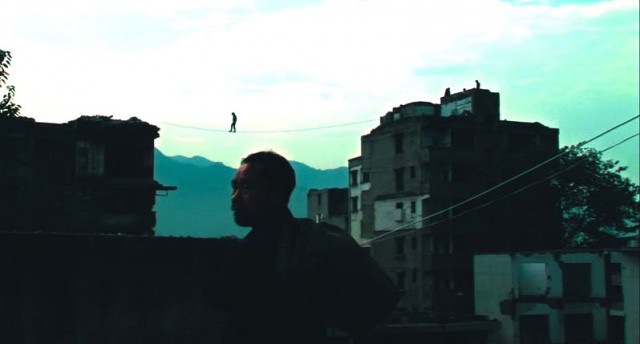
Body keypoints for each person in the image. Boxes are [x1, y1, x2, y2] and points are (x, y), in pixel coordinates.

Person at [217, 151, 399, 344]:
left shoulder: (275, 251)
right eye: (234, 187)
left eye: (246, 187)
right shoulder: (307, 240)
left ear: (277, 194)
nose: (235, 197)